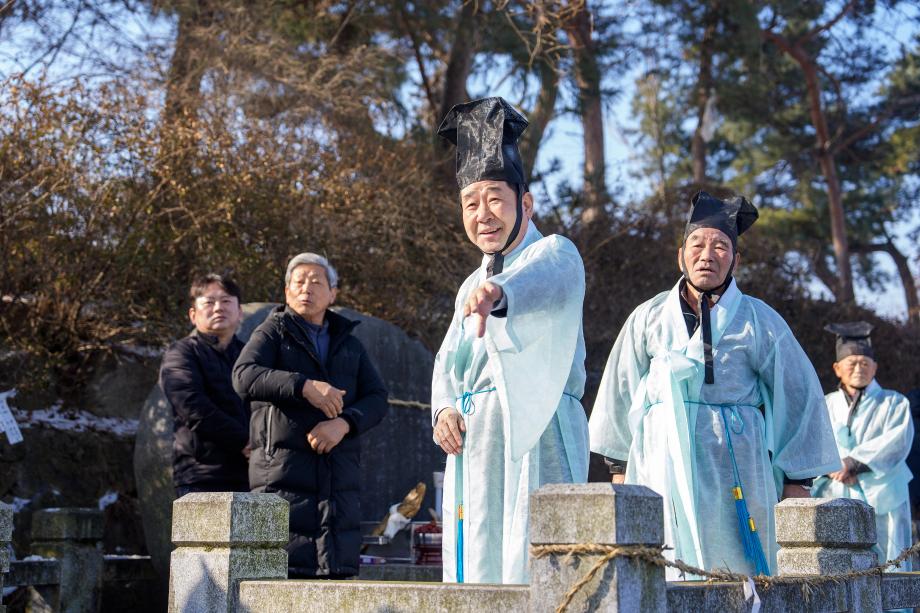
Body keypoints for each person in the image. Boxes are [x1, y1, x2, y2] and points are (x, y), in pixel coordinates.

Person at [589, 191, 840, 577]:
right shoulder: (648, 317)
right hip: (659, 461)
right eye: (698, 244)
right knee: (662, 564)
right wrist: (620, 470)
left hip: (734, 465)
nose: (708, 254)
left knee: (736, 566)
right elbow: (619, 392)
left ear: (736, 260)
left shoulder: (760, 320)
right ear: (681, 255)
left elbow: (799, 394)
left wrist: (796, 481)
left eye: (720, 246)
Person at [432, 97, 589, 584]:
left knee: (536, 563)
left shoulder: (555, 252)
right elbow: (447, 363)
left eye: (495, 198)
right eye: (471, 203)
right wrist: (442, 410)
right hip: (476, 441)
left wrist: (499, 295)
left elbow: (543, 281)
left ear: (525, 203)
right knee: (477, 558)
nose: (483, 214)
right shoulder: (467, 282)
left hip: (539, 435)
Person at [233, 253, 388, 579]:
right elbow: (243, 376)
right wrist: (303, 386)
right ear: (287, 291)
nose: (307, 288)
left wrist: (344, 424)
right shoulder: (272, 332)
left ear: (333, 294)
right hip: (281, 480)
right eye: (299, 281)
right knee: (279, 581)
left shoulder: (350, 345)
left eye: (317, 281)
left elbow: (378, 399)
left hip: (337, 488)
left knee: (334, 584)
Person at [812, 322, 914, 568]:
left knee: (890, 559)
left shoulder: (895, 403)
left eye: (865, 363)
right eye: (852, 363)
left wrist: (854, 463)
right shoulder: (825, 403)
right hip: (834, 491)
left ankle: (893, 608)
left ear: (875, 368)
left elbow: (897, 441)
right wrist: (834, 465)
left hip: (883, 495)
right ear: (837, 368)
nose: (859, 368)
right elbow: (814, 440)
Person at [160, 274, 250, 498]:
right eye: (209, 302)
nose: (218, 308)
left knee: (258, 534)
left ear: (240, 312)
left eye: (227, 301)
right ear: (193, 314)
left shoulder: (253, 356)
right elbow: (192, 407)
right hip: (202, 477)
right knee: (208, 535)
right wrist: (244, 440)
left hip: (255, 475)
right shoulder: (181, 353)